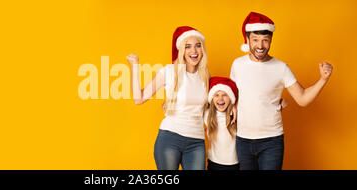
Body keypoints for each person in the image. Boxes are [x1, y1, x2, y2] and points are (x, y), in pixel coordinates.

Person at [231, 12, 334, 170]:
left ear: (271, 40)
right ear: (247, 40)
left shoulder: (281, 68)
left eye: (265, 40)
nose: (260, 46)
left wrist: (323, 79)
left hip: (271, 141)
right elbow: (234, 96)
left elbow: (302, 99)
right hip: (242, 140)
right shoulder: (237, 65)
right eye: (255, 40)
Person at [127, 26, 210, 170]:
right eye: (188, 47)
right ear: (181, 50)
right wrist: (134, 67)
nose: (194, 51)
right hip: (170, 138)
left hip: (196, 142)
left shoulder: (206, 77)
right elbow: (138, 99)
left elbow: (211, 110)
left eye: (198, 46)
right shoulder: (169, 72)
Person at [204, 77, 240, 170]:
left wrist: (235, 105)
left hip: (234, 164)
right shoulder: (207, 114)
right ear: (212, 98)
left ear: (231, 98)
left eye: (225, 95)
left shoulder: (237, 115)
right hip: (213, 163)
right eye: (216, 95)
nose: (220, 98)